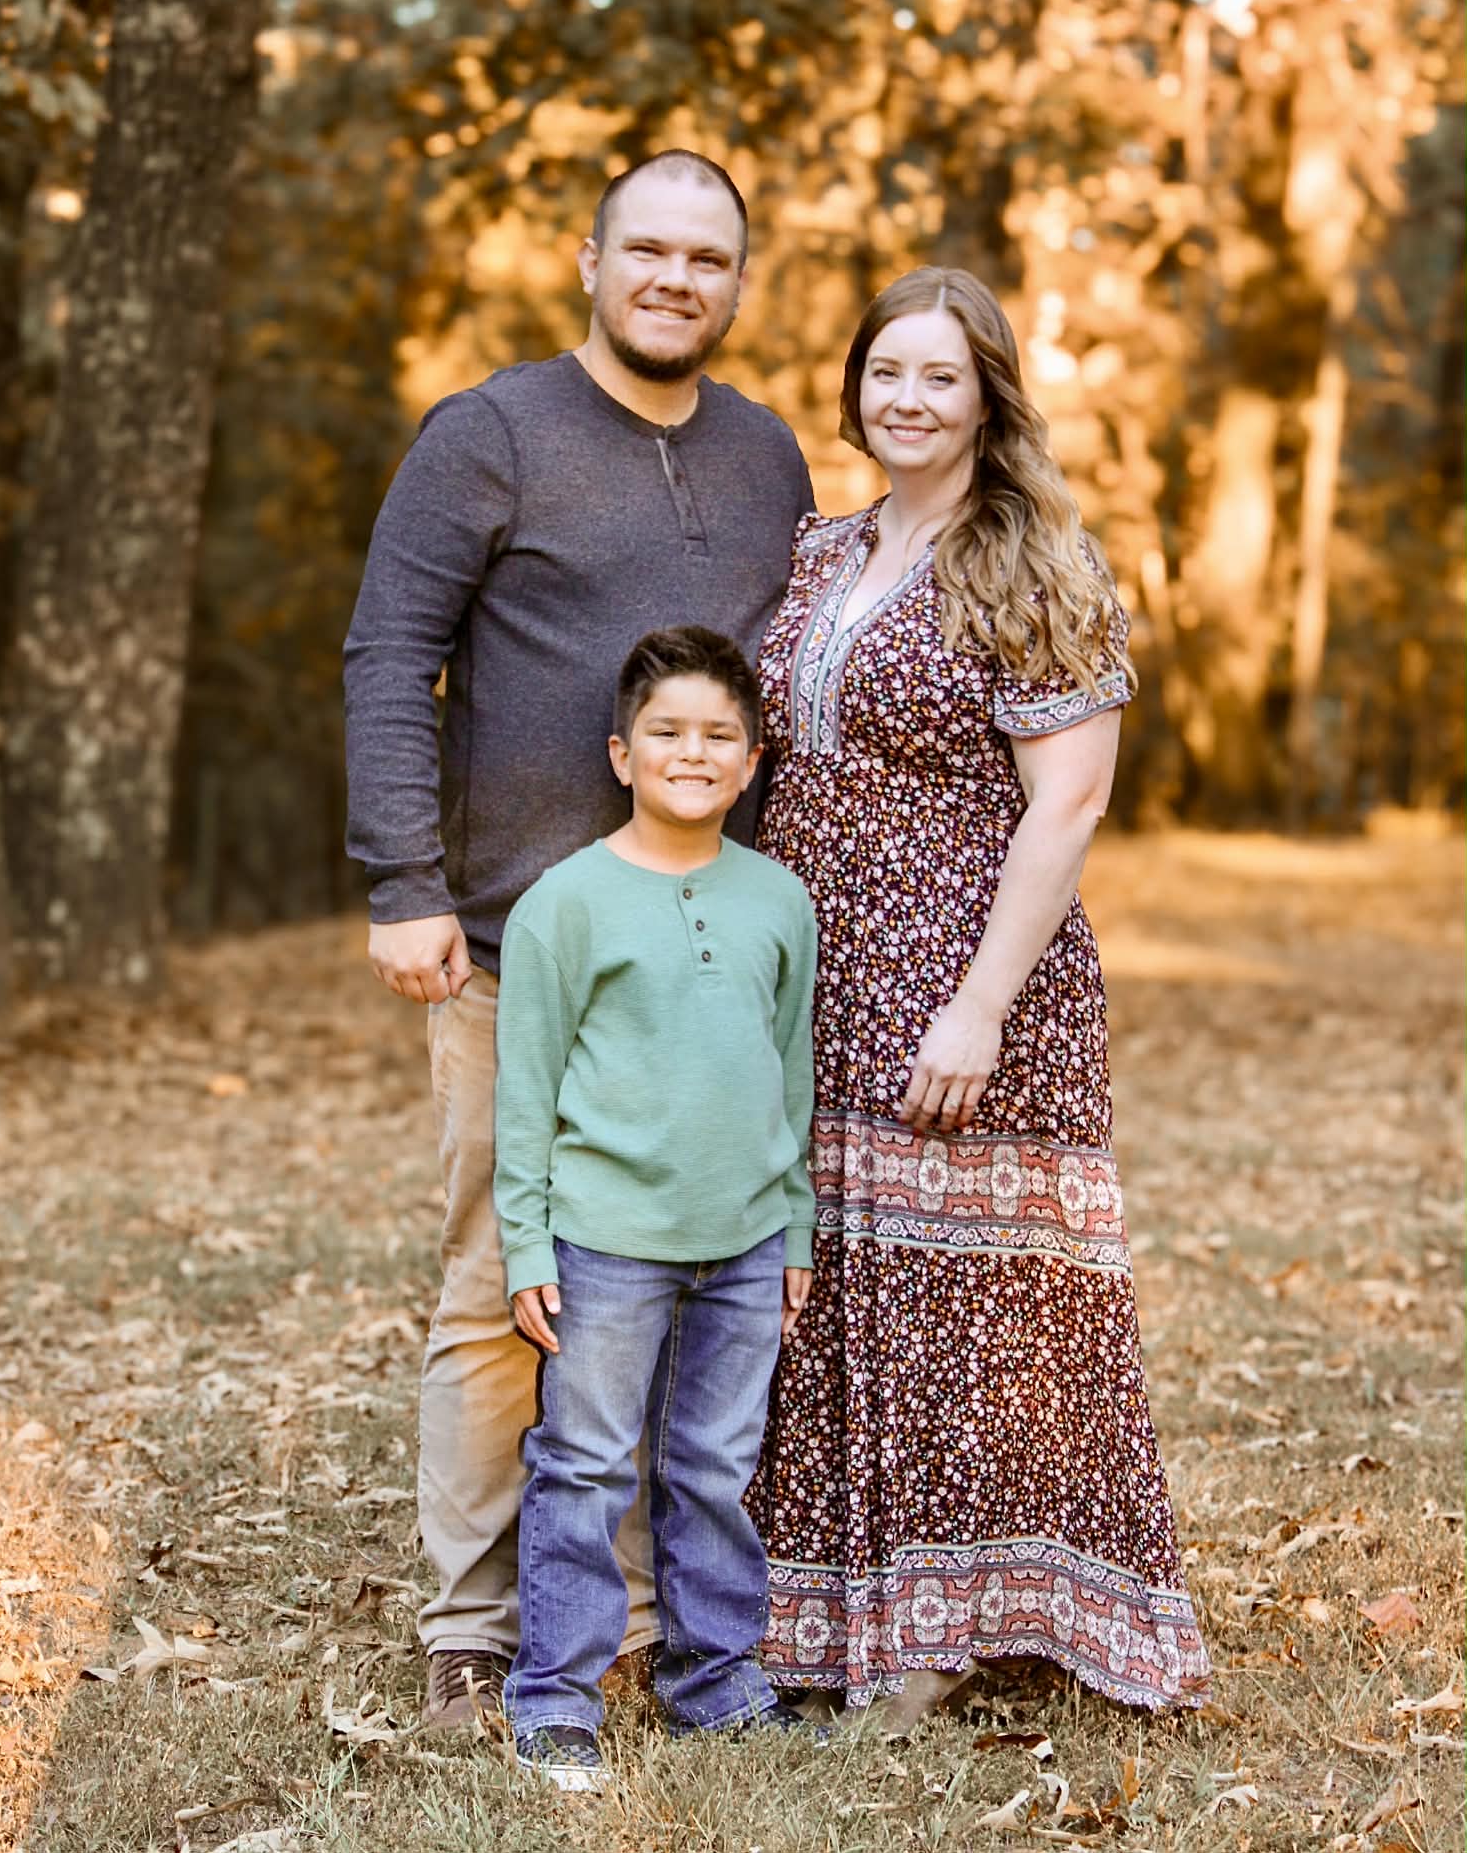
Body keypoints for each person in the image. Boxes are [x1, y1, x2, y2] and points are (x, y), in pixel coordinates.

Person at [342, 152, 813, 1731]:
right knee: (506, 1281)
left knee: (677, 1288)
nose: (676, 278)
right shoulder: (489, 433)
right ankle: (473, 1623)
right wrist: (401, 877)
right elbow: (389, 650)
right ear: (589, 259)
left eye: (707, 257)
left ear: (735, 281)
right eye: (648, 249)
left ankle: (639, 1617)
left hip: (701, 964)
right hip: (513, 949)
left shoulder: (764, 453)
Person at [745, 267, 1212, 1732]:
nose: (906, 398)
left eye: (938, 376)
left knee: (971, 1309)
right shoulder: (823, 549)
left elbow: (1068, 804)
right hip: (821, 976)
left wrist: (980, 1004)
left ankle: (944, 1636)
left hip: (966, 969)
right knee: (837, 1295)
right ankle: (831, 1616)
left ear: (987, 396)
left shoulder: (1033, 559)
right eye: (884, 371)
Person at [493, 626, 818, 1789]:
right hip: (606, 1240)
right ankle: (554, 1697)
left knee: (714, 1467)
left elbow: (789, 1075)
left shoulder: (777, 900)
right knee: (583, 1465)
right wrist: (526, 1242)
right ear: (621, 755)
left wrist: (793, 1223)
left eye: (719, 735)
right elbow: (524, 1092)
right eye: (667, 732)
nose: (693, 752)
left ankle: (715, 1683)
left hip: (745, 1240)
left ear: (752, 760)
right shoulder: (563, 905)